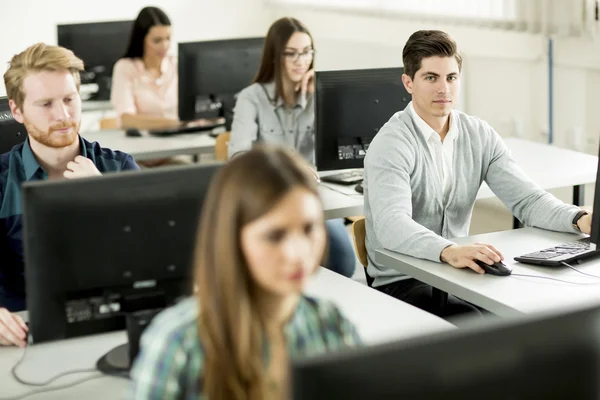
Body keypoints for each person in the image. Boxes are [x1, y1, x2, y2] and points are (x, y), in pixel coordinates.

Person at [363, 29, 594, 319]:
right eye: (431, 78)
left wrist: (580, 219)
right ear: (408, 83)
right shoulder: (392, 143)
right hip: (403, 280)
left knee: (529, 313)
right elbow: (392, 226)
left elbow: (528, 200)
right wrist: (448, 250)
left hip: (458, 273)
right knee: (482, 325)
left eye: (451, 77)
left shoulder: (478, 134)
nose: (443, 89)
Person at [130, 145, 361, 399]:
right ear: (232, 239)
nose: (298, 253)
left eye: (309, 229)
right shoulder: (177, 343)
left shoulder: (329, 324)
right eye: (274, 236)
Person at [0, 43, 139, 346]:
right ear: (17, 110)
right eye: (46, 104)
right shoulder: (1, 182)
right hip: (24, 336)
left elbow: (155, 257)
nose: (63, 115)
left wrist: (104, 196)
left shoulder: (118, 168)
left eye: (69, 99)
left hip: (111, 327)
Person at [228, 17, 356, 278]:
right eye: (292, 53)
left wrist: (319, 97)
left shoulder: (316, 95)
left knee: (343, 263)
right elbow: (238, 158)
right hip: (268, 196)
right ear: (275, 57)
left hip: (314, 198)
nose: (301, 60)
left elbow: (340, 149)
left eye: (307, 52)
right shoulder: (250, 98)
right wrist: (284, 167)